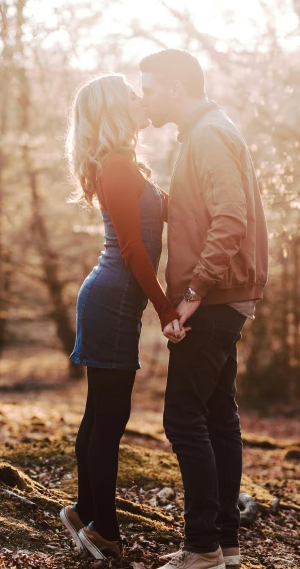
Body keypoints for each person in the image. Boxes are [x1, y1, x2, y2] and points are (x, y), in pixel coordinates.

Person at [140, 50, 269, 569]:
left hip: (215, 299)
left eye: (149, 87)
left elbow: (230, 218)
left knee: (183, 418)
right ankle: (225, 545)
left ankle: (202, 549)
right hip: (224, 296)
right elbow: (201, 209)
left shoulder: (210, 133)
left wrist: (192, 294)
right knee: (218, 416)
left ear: (174, 86)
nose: (144, 97)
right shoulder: (202, 132)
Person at [59, 73, 189, 561]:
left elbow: (157, 216)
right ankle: (103, 530)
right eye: (132, 96)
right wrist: (166, 308)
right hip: (112, 298)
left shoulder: (125, 165)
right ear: (115, 109)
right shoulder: (115, 166)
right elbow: (135, 249)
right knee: (109, 417)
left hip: (114, 299)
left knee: (101, 414)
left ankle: (84, 511)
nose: (141, 99)